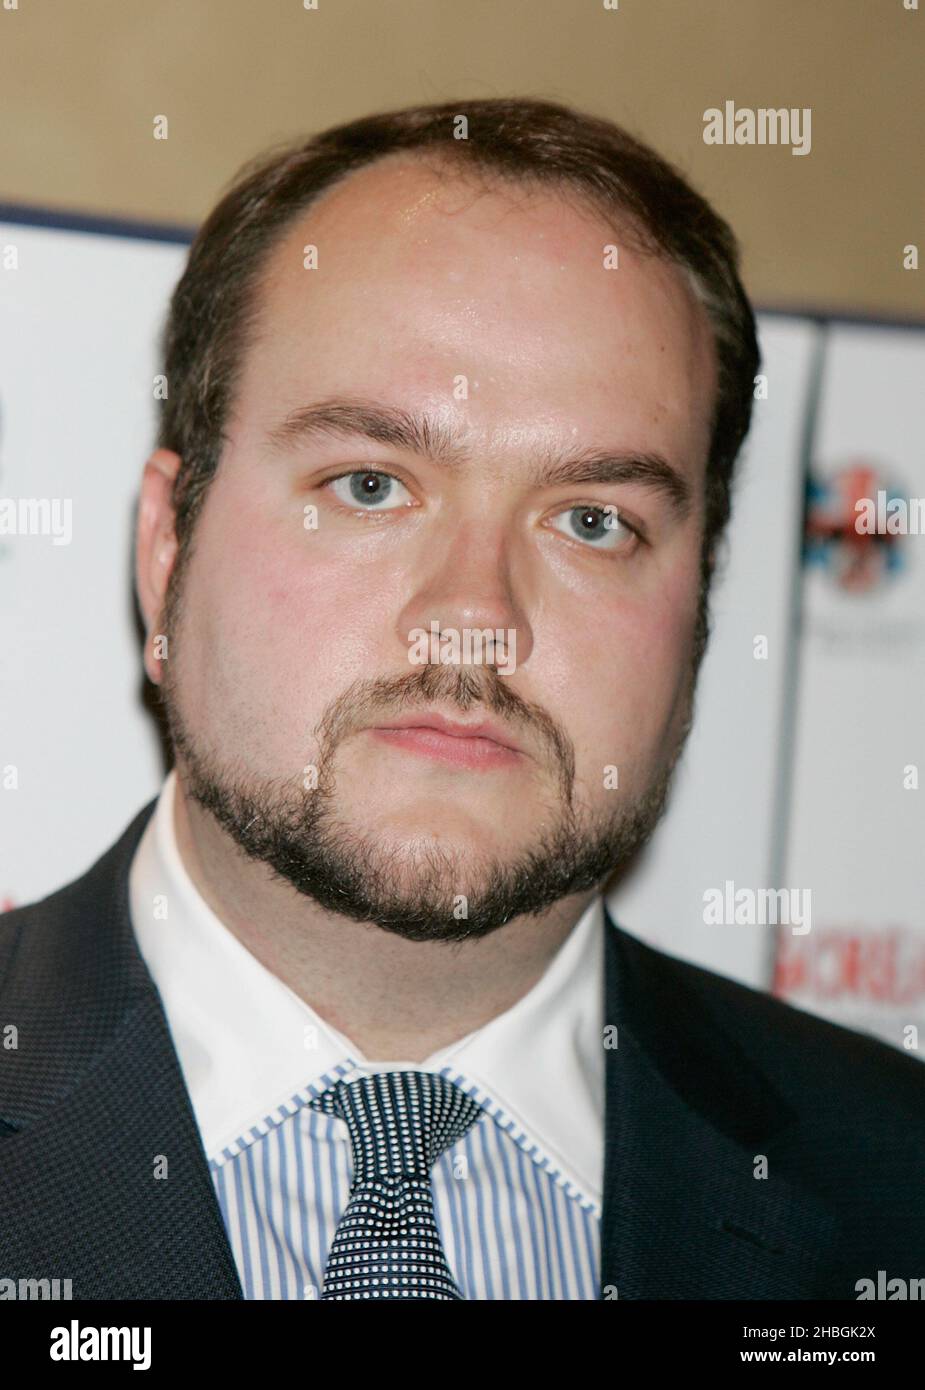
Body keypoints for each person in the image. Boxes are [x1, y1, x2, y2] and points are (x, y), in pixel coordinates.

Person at [1, 97, 923, 1302]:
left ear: (698, 610)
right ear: (167, 550)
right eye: (371, 484)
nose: (474, 615)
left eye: (593, 520)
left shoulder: (891, 1187)